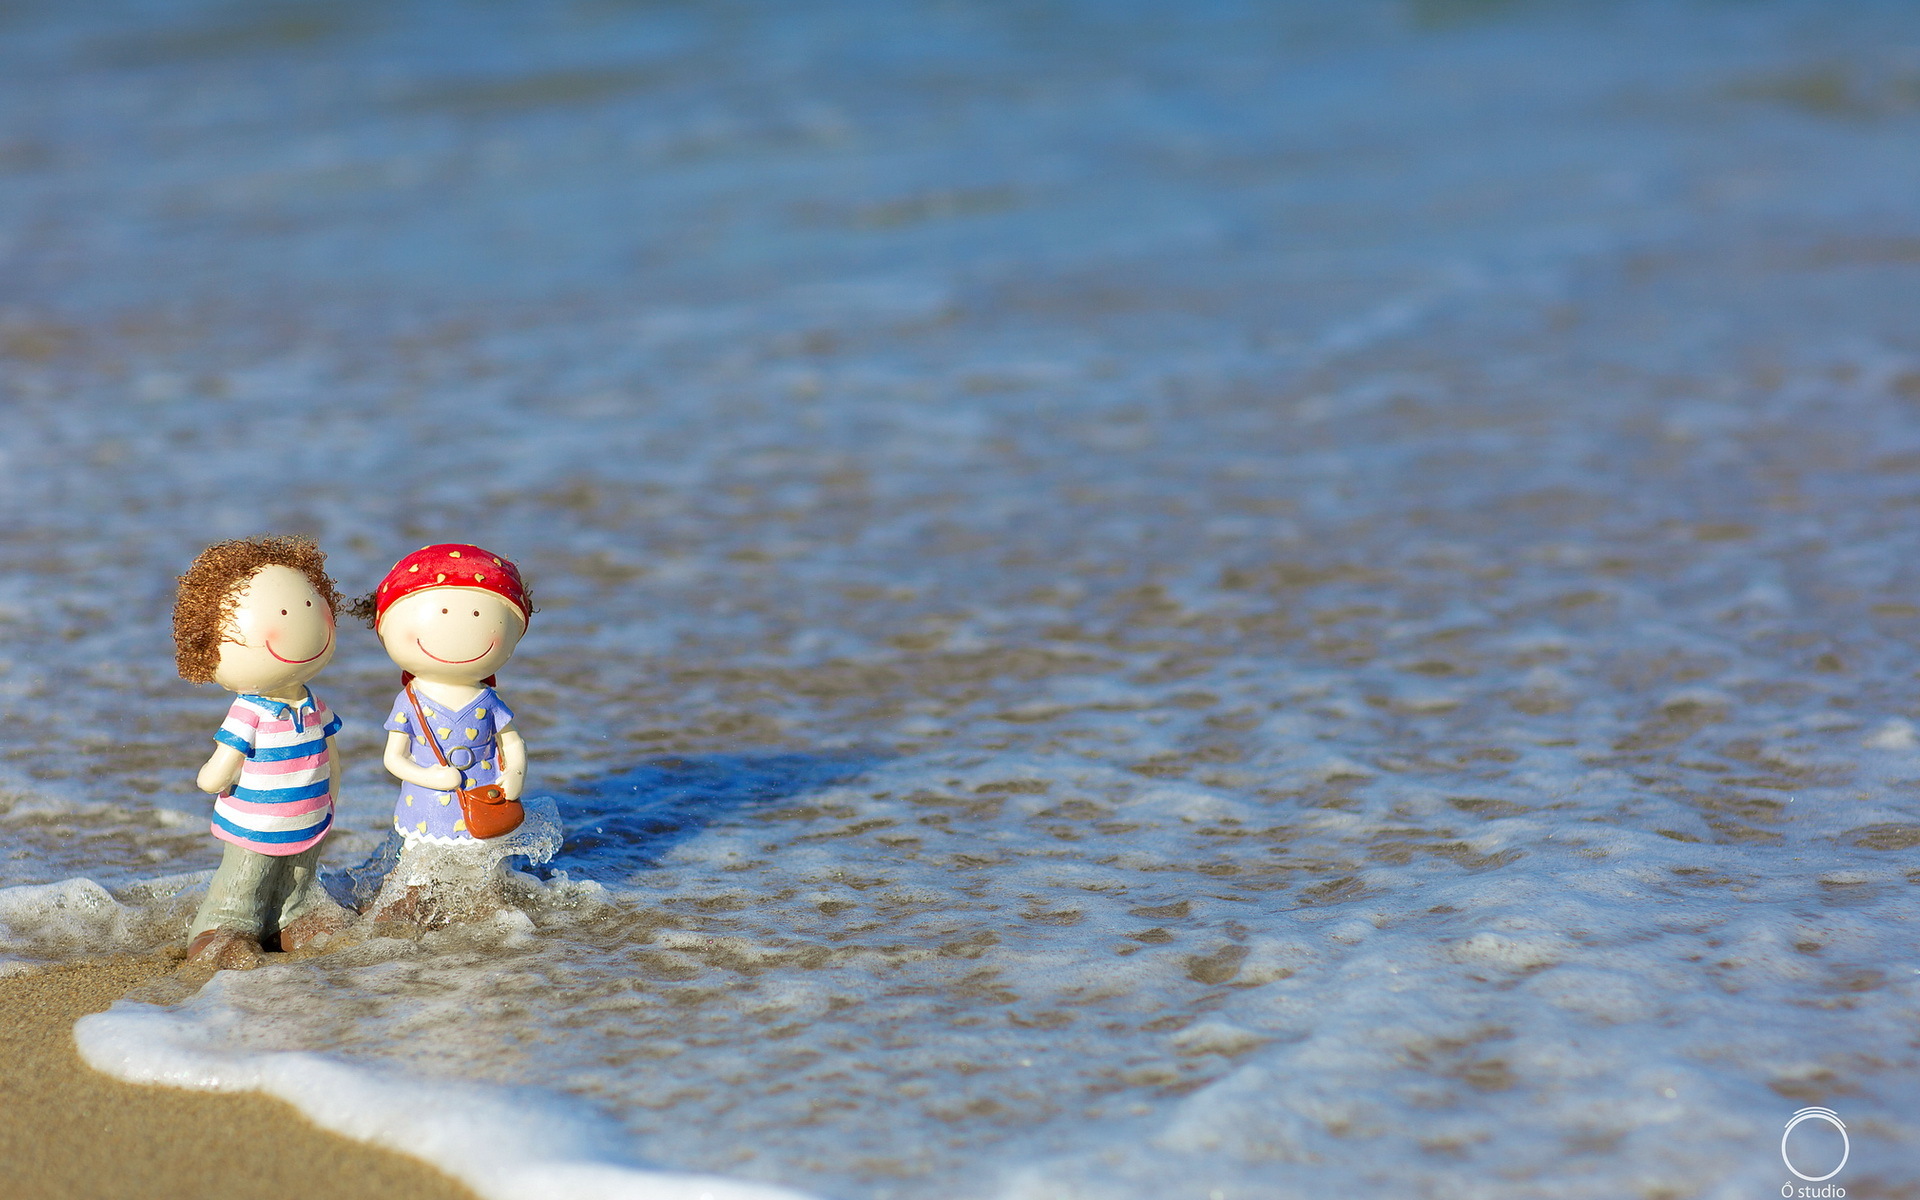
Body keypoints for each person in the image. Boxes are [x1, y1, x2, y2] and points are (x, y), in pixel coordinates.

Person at [173, 536, 355, 969]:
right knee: (247, 876)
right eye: (285, 614)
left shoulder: (313, 703)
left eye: (310, 607)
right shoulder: (247, 712)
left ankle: (295, 914)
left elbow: (330, 750)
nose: (302, 624)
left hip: (310, 810)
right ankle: (224, 925)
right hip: (257, 819)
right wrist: (212, 778)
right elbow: (219, 769)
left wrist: (332, 792)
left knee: (300, 872)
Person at [354, 543, 531, 926]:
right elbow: (393, 758)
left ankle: (488, 917)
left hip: (482, 794)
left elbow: (511, 741)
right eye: (443, 613)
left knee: (483, 874)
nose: (456, 628)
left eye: (479, 616)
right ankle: (403, 911)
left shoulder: (487, 698)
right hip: (427, 804)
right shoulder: (411, 699)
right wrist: (429, 776)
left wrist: (514, 774)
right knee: (419, 868)